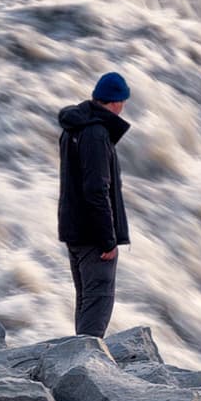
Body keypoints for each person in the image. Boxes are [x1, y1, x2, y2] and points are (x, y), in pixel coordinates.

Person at [54, 72, 133, 337]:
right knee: (97, 305)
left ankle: (74, 364)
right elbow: (97, 190)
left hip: (74, 230)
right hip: (93, 236)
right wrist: (108, 240)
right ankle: (85, 369)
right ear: (116, 102)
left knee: (86, 302)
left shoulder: (72, 129)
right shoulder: (96, 133)